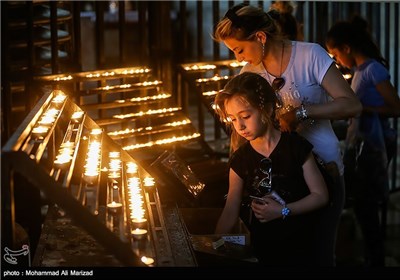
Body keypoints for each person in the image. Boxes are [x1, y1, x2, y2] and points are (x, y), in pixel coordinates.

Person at [213, 3, 362, 266]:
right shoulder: (249, 74)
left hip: (322, 171)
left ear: (260, 37)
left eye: (239, 49)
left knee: (319, 254)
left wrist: (302, 113)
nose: (238, 59)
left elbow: (352, 105)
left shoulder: (309, 55)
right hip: (279, 180)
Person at [214, 71, 329, 266]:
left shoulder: (295, 147)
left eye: (245, 116)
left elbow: (320, 195)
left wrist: (283, 211)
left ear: (266, 109)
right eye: (233, 119)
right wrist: (214, 246)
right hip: (263, 250)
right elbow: (230, 208)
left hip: (301, 246)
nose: (239, 126)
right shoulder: (240, 160)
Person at [326, 15, 400, 267]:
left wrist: (360, 108)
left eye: (335, 54)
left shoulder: (372, 70)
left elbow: (395, 108)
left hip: (374, 145)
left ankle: (375, 257)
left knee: (366, 204)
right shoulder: (359, 71)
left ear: (347, 48)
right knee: (361, 202)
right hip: (363, 144)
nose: (336, 61)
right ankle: (371, 253)